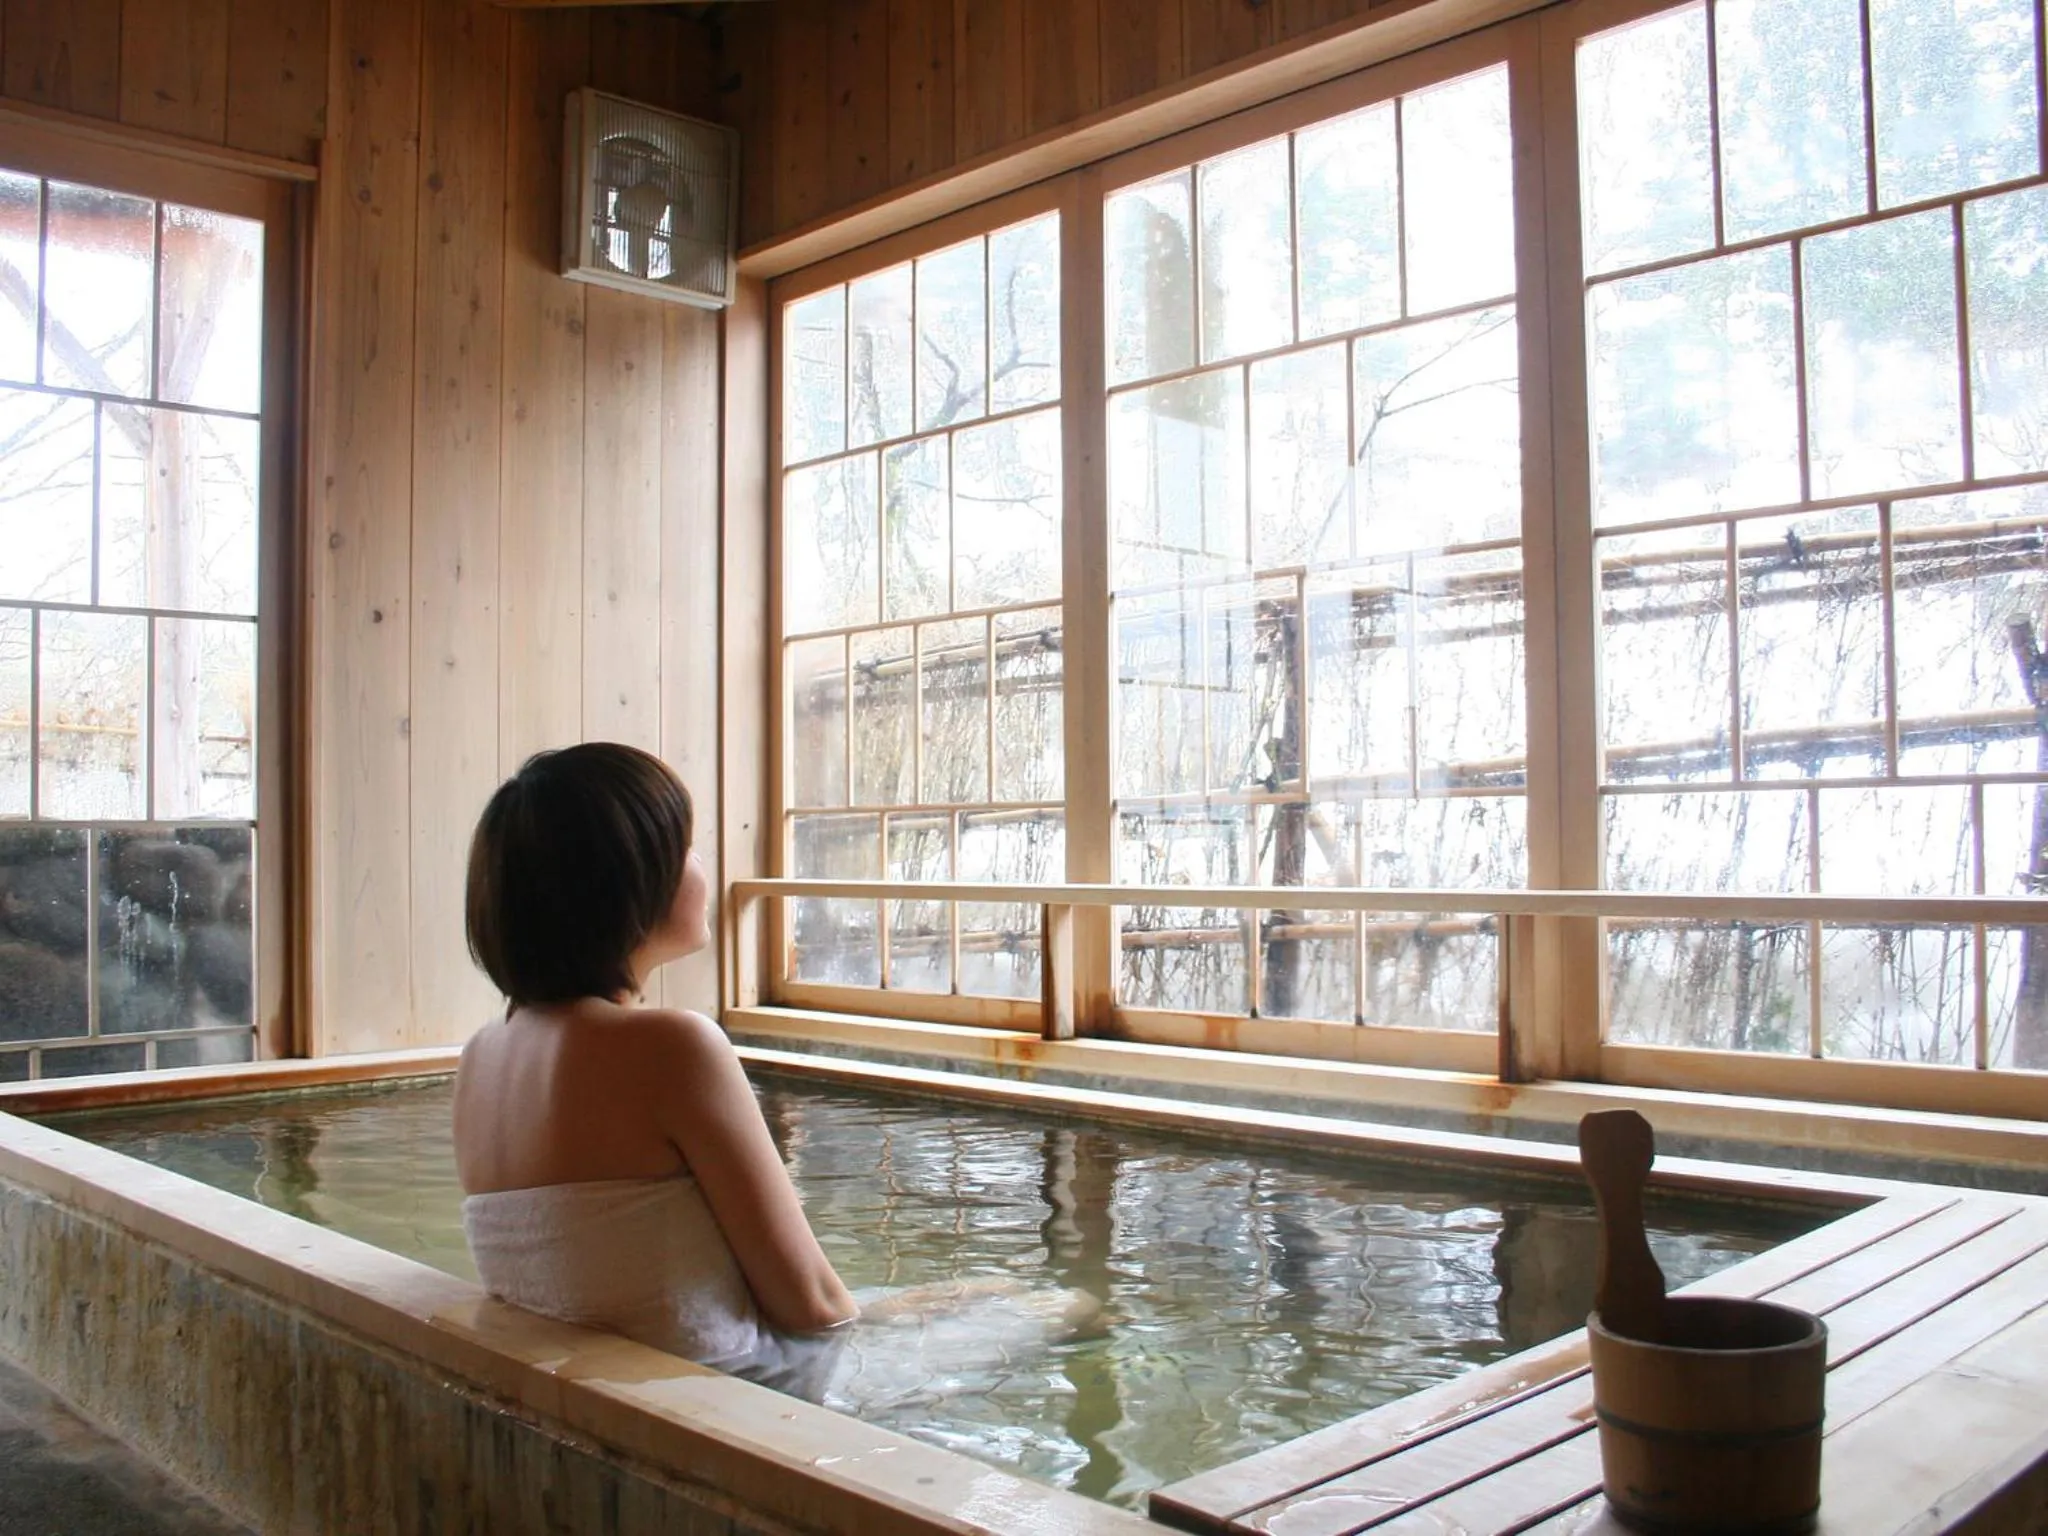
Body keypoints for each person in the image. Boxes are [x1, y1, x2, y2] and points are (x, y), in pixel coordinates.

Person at [453, 743, 857, 1399]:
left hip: (605, 1396)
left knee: (972, 1302)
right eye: (688, 848)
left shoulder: (481, 1058)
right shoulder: (672, 1046)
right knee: (1029, 1313)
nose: (702, 867)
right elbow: (811, 1303)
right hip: (729, 1400)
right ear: (628, 879)